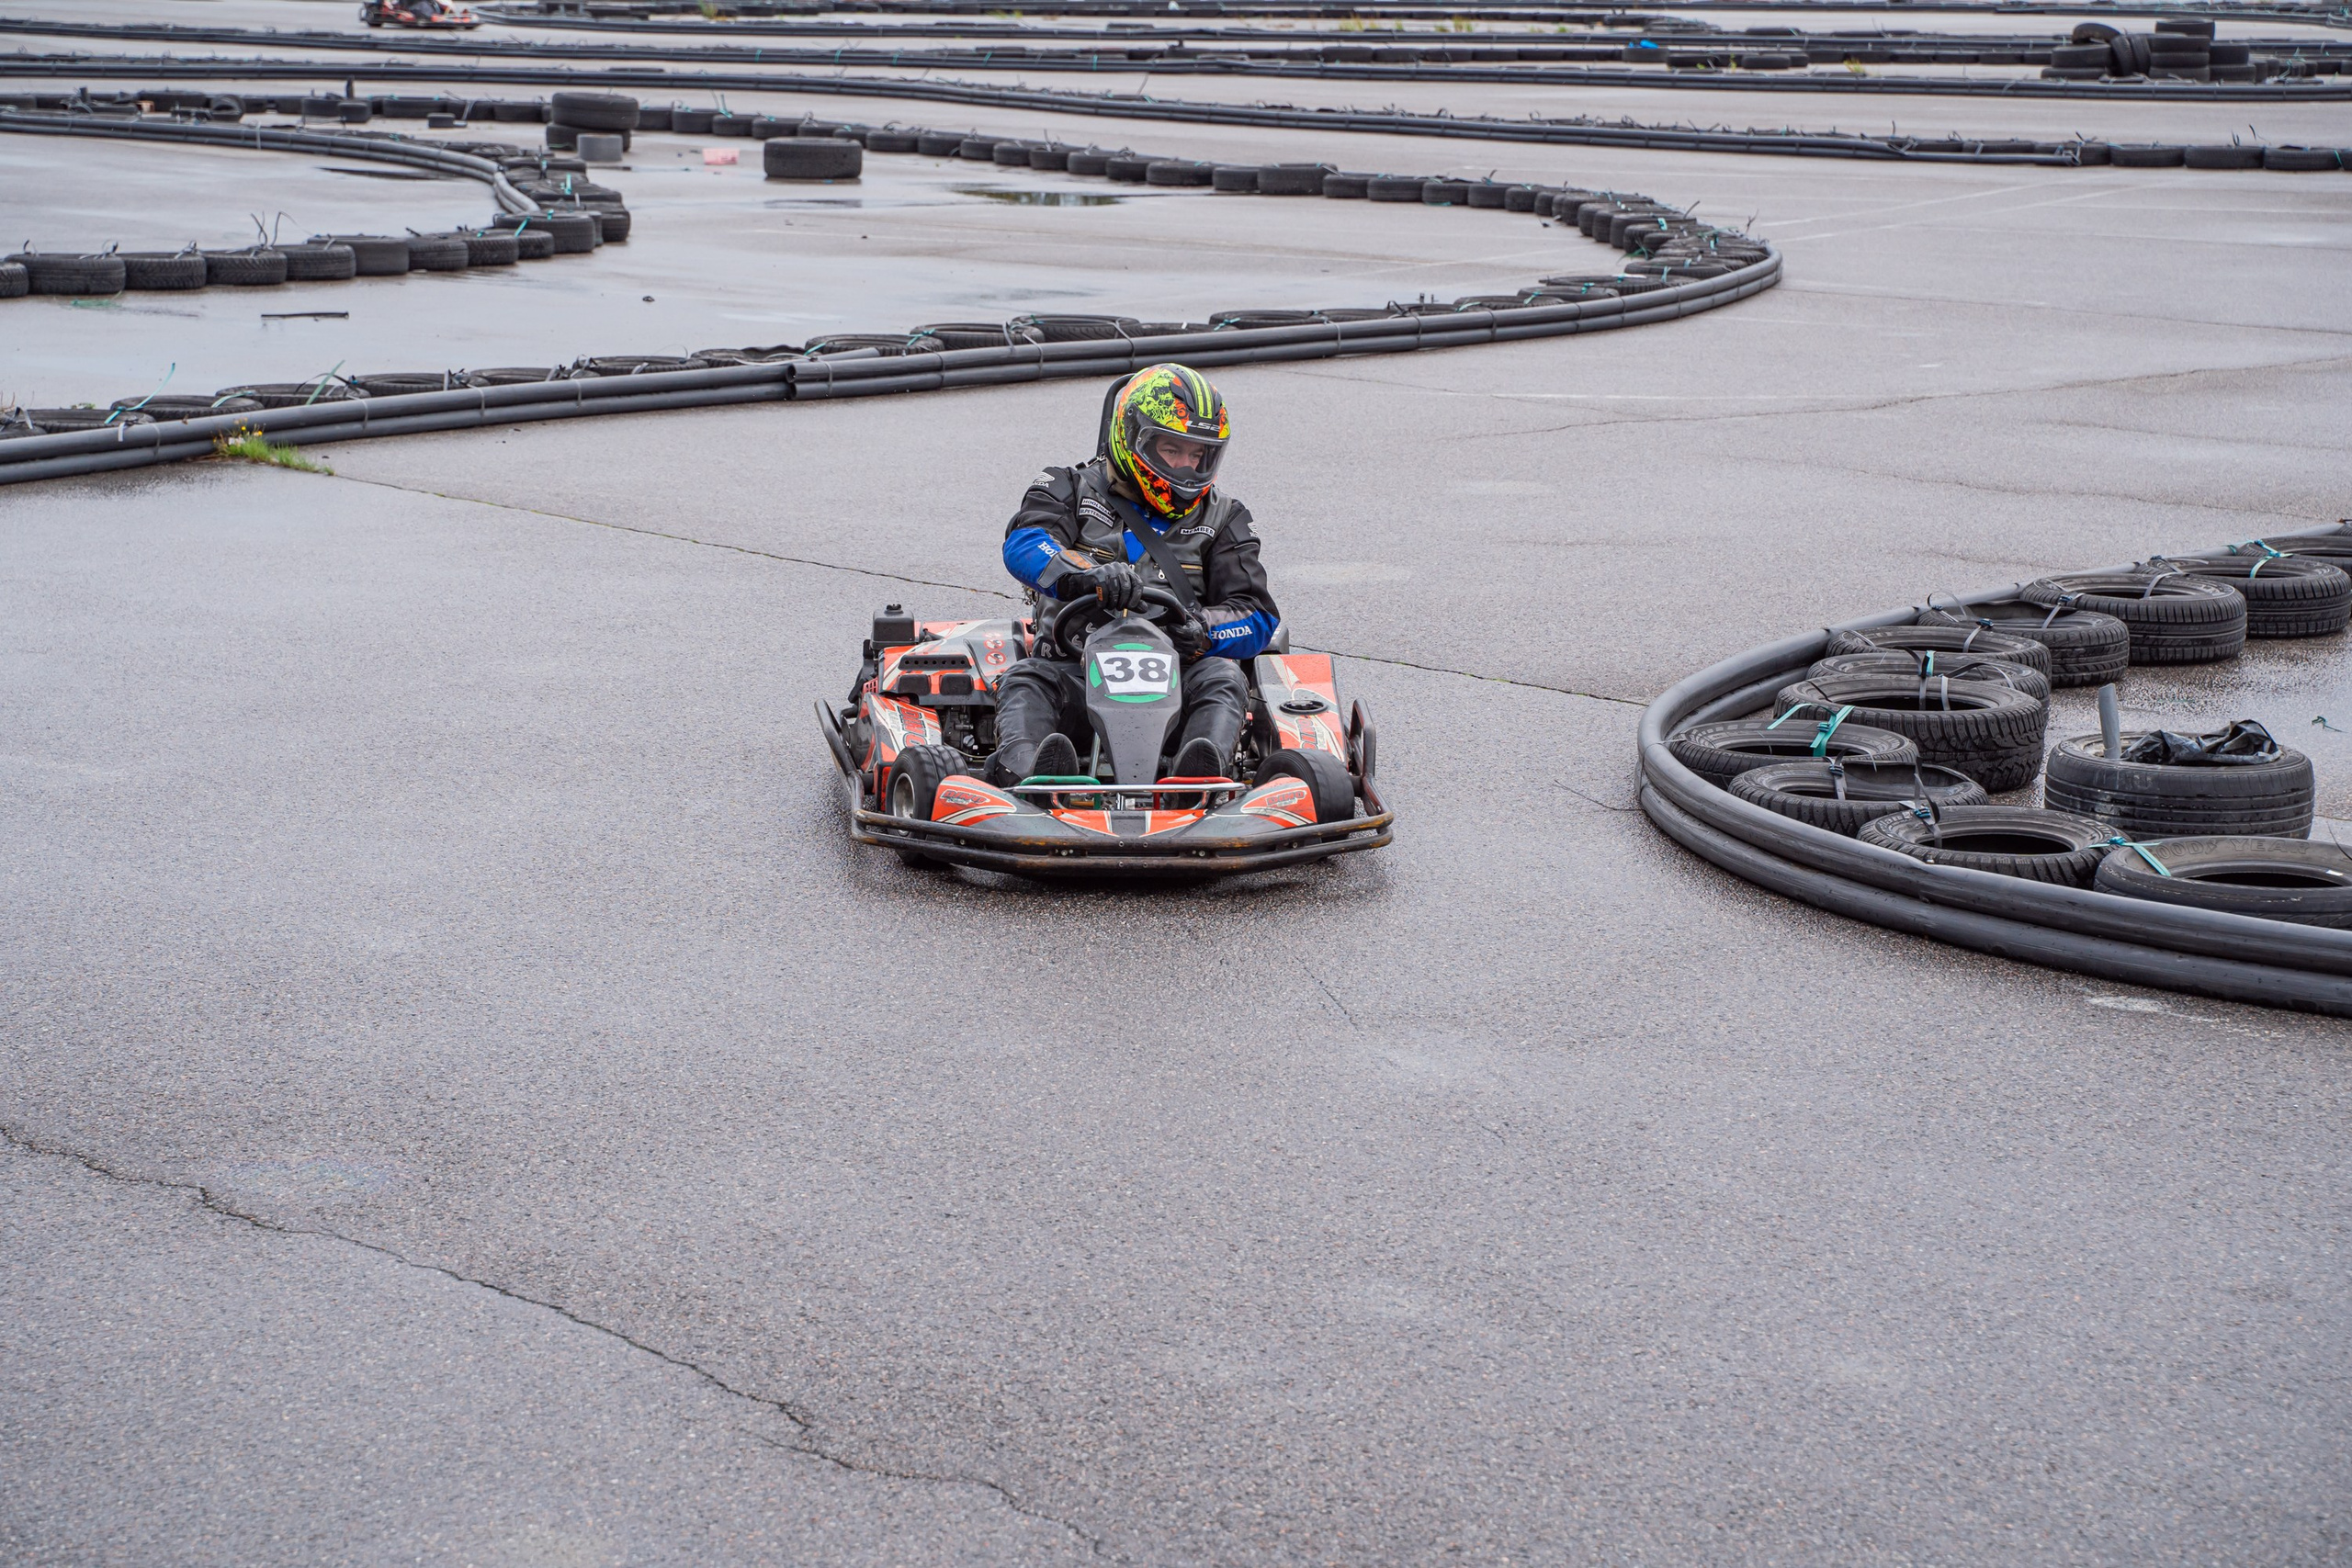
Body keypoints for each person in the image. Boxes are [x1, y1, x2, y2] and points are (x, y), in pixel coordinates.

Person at [989, 363, 1279, 785]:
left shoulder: (1223, 517)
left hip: (1177, 678)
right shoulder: (1067, 486)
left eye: (1197, 454)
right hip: (1074, 669)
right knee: (1026, 679)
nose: (1186, 467)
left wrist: (1202, 630)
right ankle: (1033, 776)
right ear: (1132, 438)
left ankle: (1200, 781)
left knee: (1223, 676)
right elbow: (1025, 544)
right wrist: (1085, 574)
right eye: (1172, 450)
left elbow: (1257, 615)